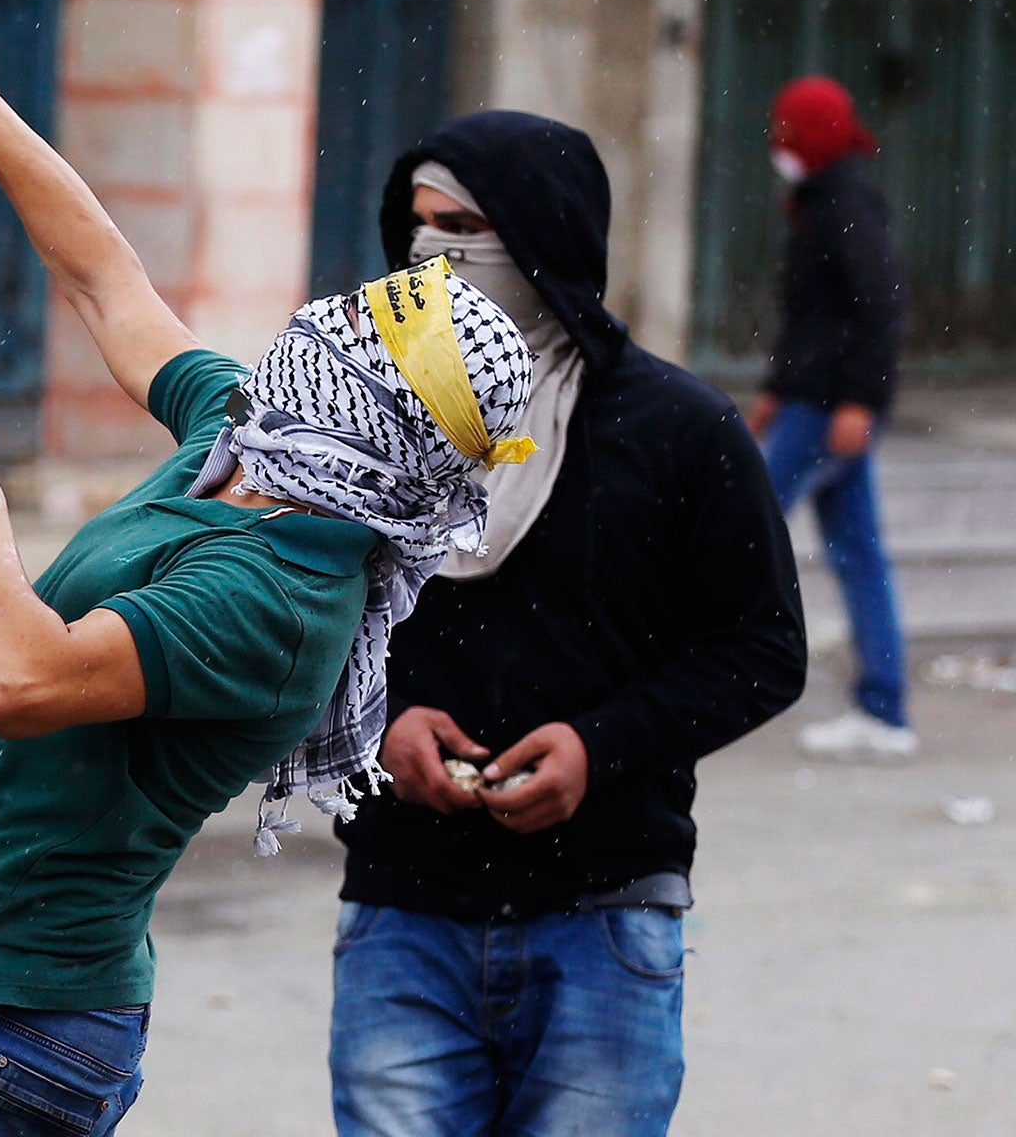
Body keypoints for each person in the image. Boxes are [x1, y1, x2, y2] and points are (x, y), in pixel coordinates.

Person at [0, 0, 536, 1136]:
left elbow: (20, 681)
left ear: (357, 405)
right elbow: (103, 278)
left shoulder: (282, 597)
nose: (312, 324)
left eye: (342, 332)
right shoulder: (242, 450)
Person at [326, 111, 807, 1137]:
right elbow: (310, 620)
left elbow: (761, 649)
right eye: (413, 227)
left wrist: (598, 746)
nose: (428, 255)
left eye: (461, 226)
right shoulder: (370, 418)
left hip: (605, 912)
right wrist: (386, 724)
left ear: (544, 237)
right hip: (401, 910)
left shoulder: (679, 432)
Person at [747, 75, 912, 758]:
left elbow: (880, 305)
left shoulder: (846, 203)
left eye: (787, 133)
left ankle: (665, 673)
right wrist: (776, 389)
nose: (778, 147)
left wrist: (860, 401)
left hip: (826, 410)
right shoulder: (822, 200)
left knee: (737, 528)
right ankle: (883, 707)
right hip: (809, 401)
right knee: (858, 554)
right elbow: (812, 316)